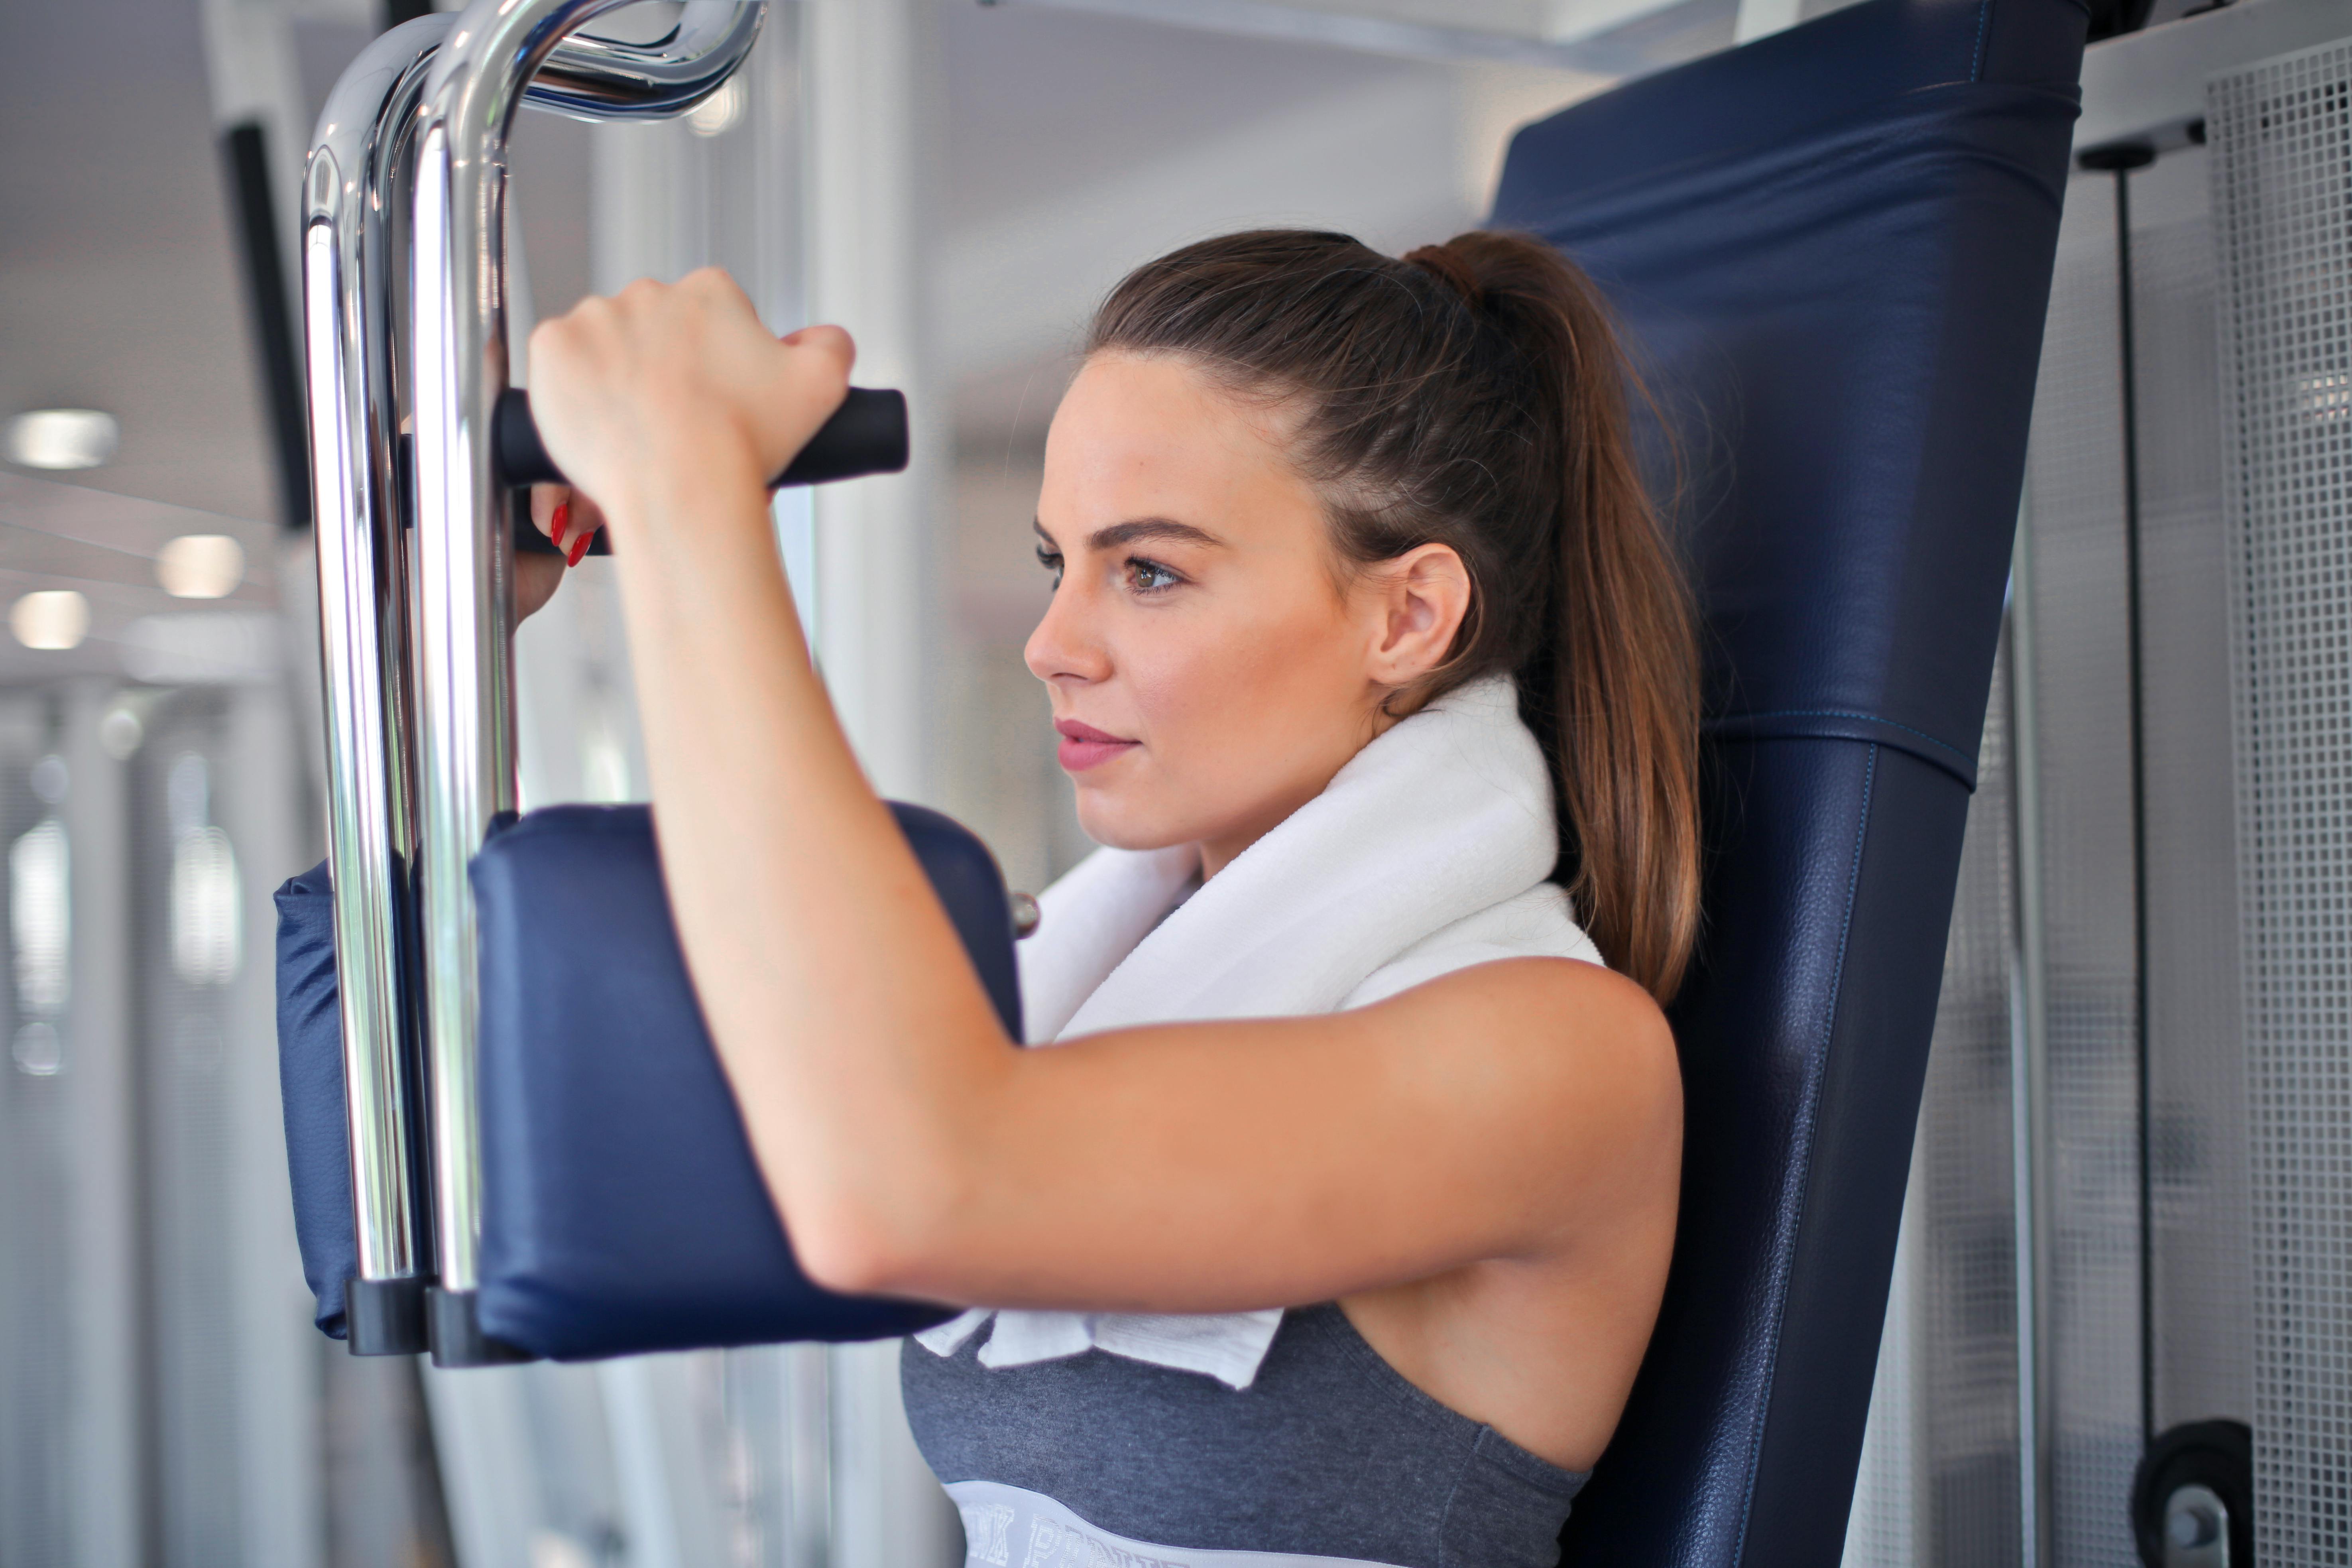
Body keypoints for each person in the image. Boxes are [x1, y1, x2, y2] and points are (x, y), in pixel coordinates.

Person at [519, 228, 1697, 1568]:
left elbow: (908, 1191)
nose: (1050, 645)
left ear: (1408, 618)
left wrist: (690, 502)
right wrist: (462, 621)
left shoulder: (1554, 1056)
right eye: (1055, 562)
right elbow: (614, 1124)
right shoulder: (1078, 1000)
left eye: (1148, 571)